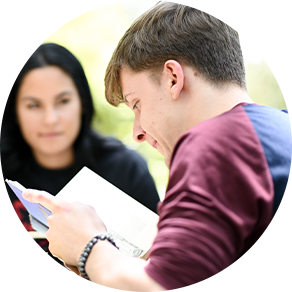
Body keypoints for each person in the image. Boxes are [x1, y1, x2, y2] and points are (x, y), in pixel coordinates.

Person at [23, 0, 292, 291]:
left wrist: (89, 246)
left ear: (173, 78)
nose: (137, 132)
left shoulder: (216, 145)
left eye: (136, 104)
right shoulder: (281, 128)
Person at [0, 43, 160, 266]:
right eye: (33, 105)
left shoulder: (125, 168)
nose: (51, 119)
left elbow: (162, 263)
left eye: (63, 101)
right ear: (14, 110)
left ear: (82, 102)